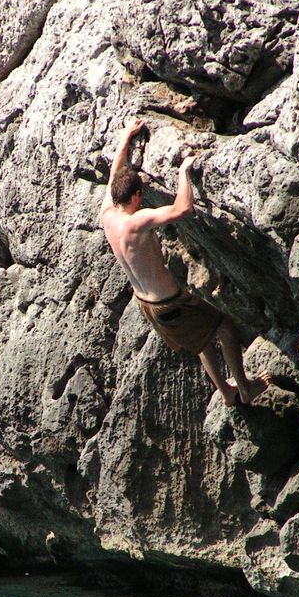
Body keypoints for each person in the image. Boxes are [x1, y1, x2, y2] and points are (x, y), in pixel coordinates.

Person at [100, 118, 272, 405]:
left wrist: (126, 138)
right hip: (171, 303)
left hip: (147, 305)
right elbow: (183, 208)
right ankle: (244, 388)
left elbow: (114, 172)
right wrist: (183, 173)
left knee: (203, 341)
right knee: (224, 326)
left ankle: (227, 394)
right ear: (136, 196)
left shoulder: (108, 213)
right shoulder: (136, 221)